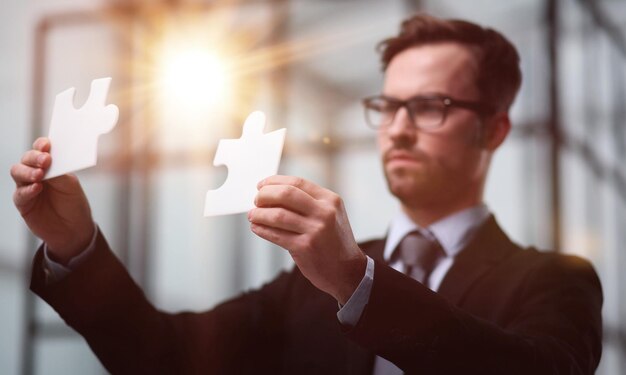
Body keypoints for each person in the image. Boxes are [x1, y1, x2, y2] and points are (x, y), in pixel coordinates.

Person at [11, 14, 602, 374]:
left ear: (495, 128)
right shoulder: (309, 283)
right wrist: (76, 247)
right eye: (388, 105)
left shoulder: (556, 279)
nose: (397, 128)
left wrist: (356, 282)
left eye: (430, 106)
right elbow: (166, 356)